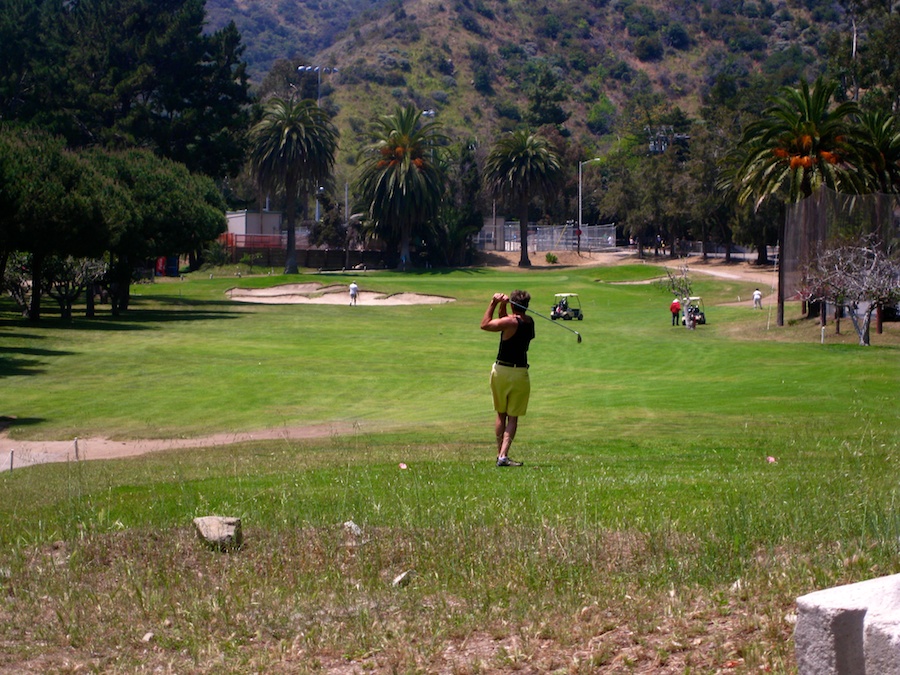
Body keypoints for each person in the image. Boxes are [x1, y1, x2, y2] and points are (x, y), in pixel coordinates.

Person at [480, 290, 535, 467]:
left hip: (501, 371)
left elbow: (485, 324)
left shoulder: (510, 322)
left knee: (501, 414)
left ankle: (501, 455)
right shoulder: (529, 322)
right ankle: (502, 455)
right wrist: (503, 305)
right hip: (519, 373)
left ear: (513, 305)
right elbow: (506, 322)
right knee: (512, 417)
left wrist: (494, 302)